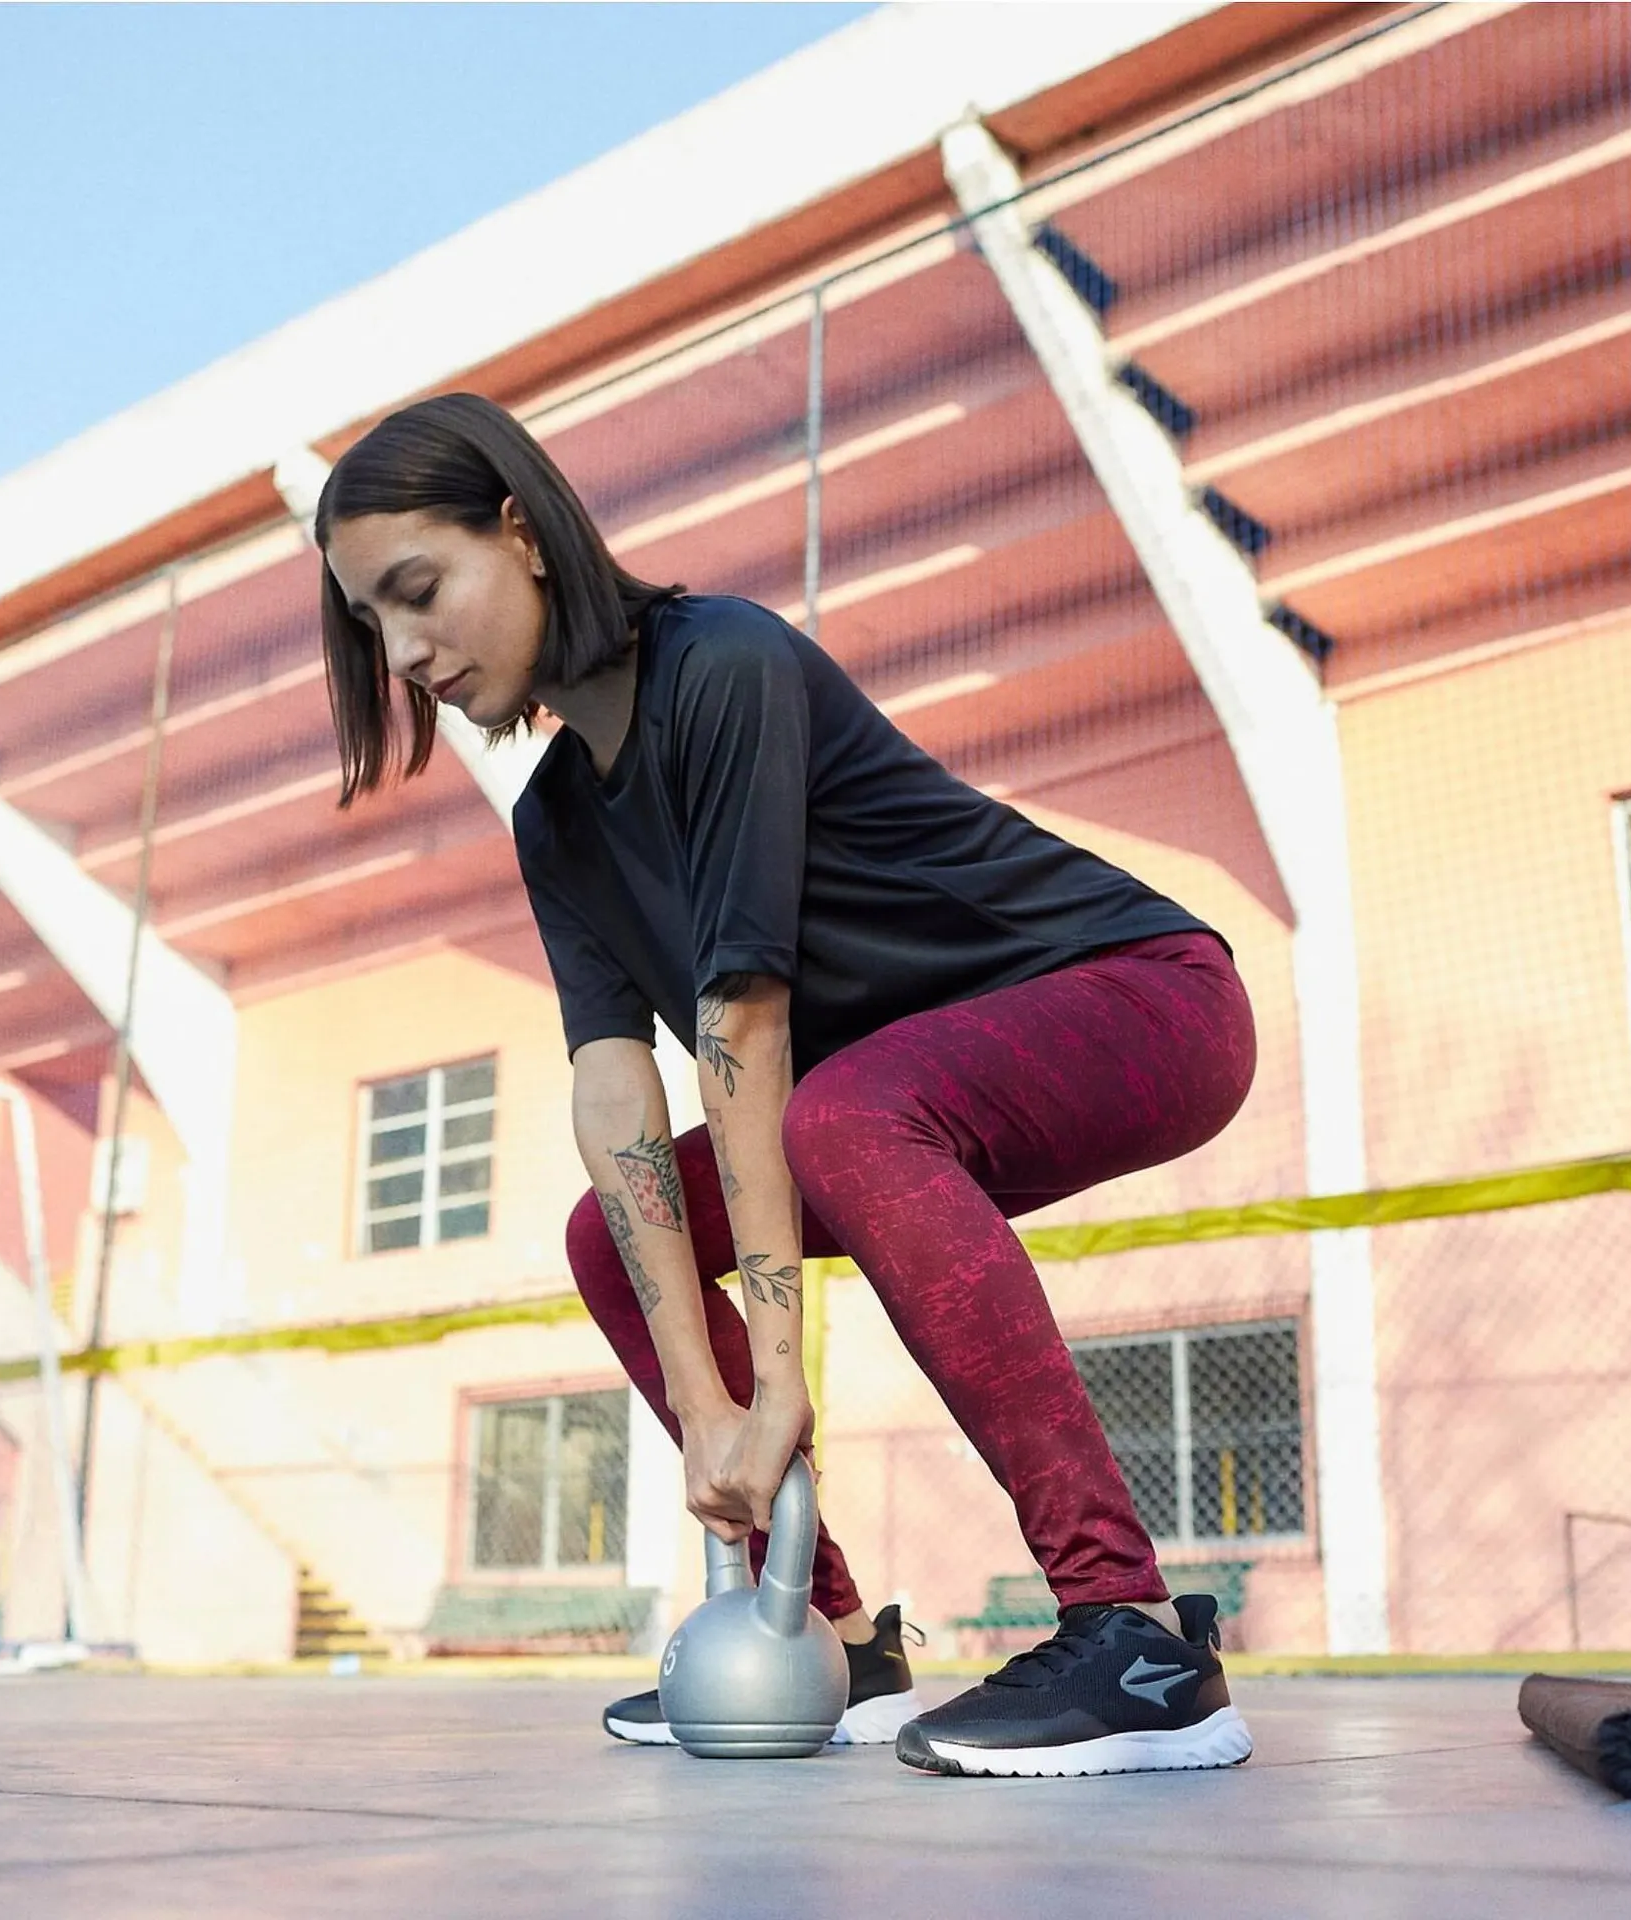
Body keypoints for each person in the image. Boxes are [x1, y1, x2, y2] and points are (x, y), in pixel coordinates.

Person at [317, 393, 1257, 1778]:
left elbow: (742, 1028)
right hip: (889, 1105)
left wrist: (773, 1380)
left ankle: (1133, 1635)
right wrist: (707, 1411)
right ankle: (822, 1634)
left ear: (518, 531)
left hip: (1145, 998)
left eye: (417, 591)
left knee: (841, 1116)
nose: (403, 653)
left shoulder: (723, 663)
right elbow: (615, 1091)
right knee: (613, 1229)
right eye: (371, 626)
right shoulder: (555, 821)